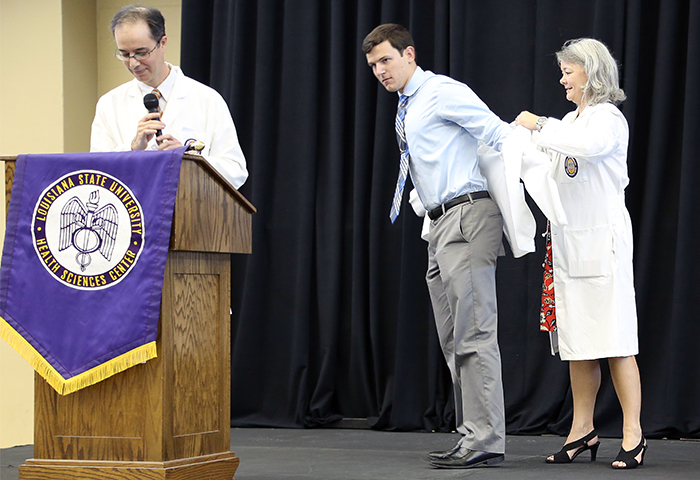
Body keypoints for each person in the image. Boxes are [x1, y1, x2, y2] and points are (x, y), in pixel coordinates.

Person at [363, 24, 514, 469]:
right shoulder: (408, 106)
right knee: (453, 340)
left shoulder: (442, 91)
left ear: (409, 54)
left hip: (468, 215)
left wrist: (525, 196)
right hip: (440, 222)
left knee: (475, 333)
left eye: (386, 60)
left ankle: (487, 438)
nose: (380, 71)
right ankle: (472, 434)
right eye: (373, 66)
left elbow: (497, 133)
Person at [515, 38, 646, 469]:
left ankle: (633, 434)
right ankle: (582, 430)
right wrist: (514, 140)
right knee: (578, 344)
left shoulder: (607, 120)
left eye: (568, 72)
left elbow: (583, 148)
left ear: (591, 72)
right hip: (570, 247)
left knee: (616, 340)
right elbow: (546, 162)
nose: (562, 79)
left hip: (603, 245)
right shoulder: (571, 121)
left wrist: (538, 124)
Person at [90, 5, 248, 189]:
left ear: (163, 43)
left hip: (192, 211)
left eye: (141, 52)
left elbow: (236, 171)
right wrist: (132, 149)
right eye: (124, 54)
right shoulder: (109, 104)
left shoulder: (207, 99)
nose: (133, 63)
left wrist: (189, 161)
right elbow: (96, 171)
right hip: (135, 213)